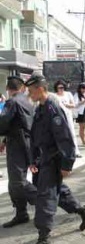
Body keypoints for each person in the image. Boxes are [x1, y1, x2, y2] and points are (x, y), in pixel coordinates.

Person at [23, 74, 85, 244]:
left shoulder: (52, 108)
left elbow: (65, 138)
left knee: (45, 199)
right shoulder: (40, 108)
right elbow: (36, 137)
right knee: (59, 192)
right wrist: (33, 160)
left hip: (54, 160)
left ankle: (44, 240)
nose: (29, 95)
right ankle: (84, 211)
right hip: (43, 160)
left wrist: (67, 164)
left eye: (31, 91)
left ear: (40, 89)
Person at [0, 76, 37, 228]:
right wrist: (4, 141)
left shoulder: (12, 102)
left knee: (18, 181)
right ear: (22, 87)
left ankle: (44, 201)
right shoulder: (29, 101)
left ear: (8, 89)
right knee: (14, 181)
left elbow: (3, 122)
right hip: (28, 142)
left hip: (18, 144)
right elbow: (17, 123)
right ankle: (21, 213)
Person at [54, 80, 82, 157]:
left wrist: (67, 105)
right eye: (59, 87)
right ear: (56, 88)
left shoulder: (68, 94)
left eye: (62, 87)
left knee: (72, 133)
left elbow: (74, 105)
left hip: (68, 115)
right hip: (59, 118)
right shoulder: (54, 96)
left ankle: (76, 150)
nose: (61, 89)